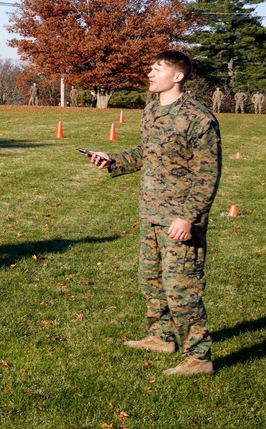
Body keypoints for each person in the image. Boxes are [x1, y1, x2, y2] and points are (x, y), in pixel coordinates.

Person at [86, 51, 221, 376]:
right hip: (151, 212)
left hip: (179, 219)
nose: (150, 73)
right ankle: (162, 337)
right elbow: (148, 153)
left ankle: (199, 357)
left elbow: (208, 174)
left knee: (181, 289)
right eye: (151, 68)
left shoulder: (198, 118)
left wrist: (188, 216)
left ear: (178, 76)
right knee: (150, 280)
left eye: (158, 69)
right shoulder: (151, 110)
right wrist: (113, 159)